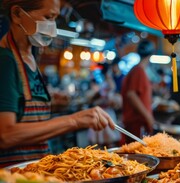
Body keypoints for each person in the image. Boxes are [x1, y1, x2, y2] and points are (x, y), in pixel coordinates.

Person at [0, 0, 114, 167]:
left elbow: (22, 109)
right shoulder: (5, 61)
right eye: (48, 17)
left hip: (35, 172)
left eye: (55, 18)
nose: (52, 26)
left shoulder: (30, 57)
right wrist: (74, 120)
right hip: (13, 181)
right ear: (17, 14)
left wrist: (54, 103)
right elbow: (5, 134)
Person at [121, 40, 155, 142]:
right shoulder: (138, 70)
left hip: (135, 122)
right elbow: (131, 94)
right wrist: (148, 117)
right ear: (151, 54)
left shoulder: (136, 70)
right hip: (136, 122)